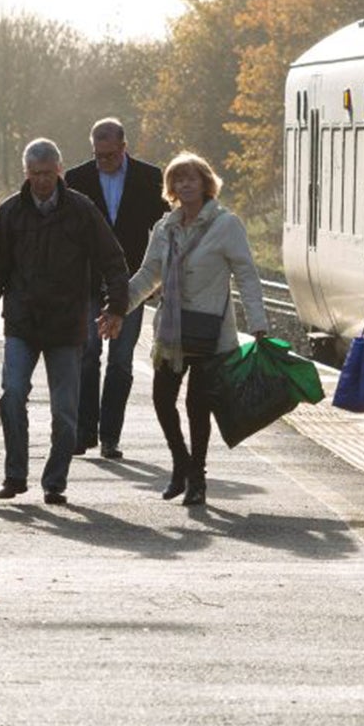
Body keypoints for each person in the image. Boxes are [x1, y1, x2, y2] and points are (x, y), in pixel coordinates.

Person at [0, 138, 129, 505]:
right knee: (12, 396)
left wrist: (116, 307)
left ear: (59, 170)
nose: (41, 181)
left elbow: (113, 260)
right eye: (34, 174)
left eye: (47, 173)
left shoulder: (81, 210)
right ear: (26, 173)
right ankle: (15, 475)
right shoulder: (11, 211)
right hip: (23, 322)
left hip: (67, 325)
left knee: (65, 411)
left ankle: (55, 481)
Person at [122, 152, 267, 507]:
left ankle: (197, 477)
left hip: (209, 332)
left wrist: (259, 325)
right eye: (178, 180)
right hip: (171, 333)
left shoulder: (226, 225)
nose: (185, 185)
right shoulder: (165, 227)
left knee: (197, 406)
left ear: (206, 183)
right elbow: (147, 276)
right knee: (161, 400)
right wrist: (117, 308)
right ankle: (180, 463)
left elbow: (246, 275)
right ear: (171, 188)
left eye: (192, 179)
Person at [64, 118, 167, 460]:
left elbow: (167, 229)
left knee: (121, 362)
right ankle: (84, 432)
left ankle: (110, 437)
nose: (102, 161)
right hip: (88, 284)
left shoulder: (150, 179)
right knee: (87, 356)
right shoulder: (77, 180)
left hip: (131, 286)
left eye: (109, 155)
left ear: (124, 147)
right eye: (97, 155)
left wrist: (160, 276)